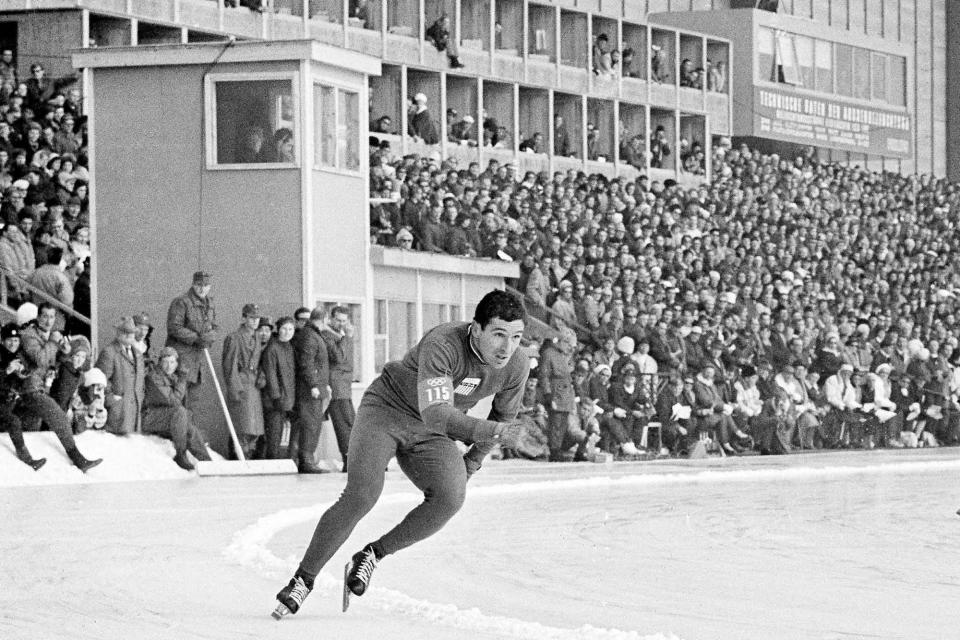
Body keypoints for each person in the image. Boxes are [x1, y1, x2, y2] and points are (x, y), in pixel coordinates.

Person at [273, 289, 531, 618]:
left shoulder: (516, 365)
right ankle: (303, 580)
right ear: (476, 329)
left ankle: (371, 555)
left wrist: (472, 462)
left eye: (516, 337)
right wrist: (491, 432)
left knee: (452, 497)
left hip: (431, 431)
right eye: (498, 335)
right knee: (363, 494)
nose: (506, 348)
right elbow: (439, 412)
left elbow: (503, 417)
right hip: (388, 410)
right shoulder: (445, 343)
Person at [16, 302, 102, 471]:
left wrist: (63, 352)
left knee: (34, 428)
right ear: (38, 317)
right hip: (29, 389)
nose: (49, 321)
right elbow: (40, 359)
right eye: (45, 316)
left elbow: (53, 364)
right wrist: (54, 343)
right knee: (57, 414)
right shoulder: (28, 336)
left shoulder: (49, 336)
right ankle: (77, 457)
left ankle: (30, 469)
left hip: (42, 388)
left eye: (52, 317)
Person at [142, 347, 212, 471]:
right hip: (149, 417)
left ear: (177, 364)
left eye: (172, 362)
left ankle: (207, 461)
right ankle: (180, 454)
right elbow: (173, 401)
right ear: (160, 362)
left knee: (189, 427)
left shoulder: (173, 377)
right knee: (180, 412)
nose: (169, 366)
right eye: (165, 362)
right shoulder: (154, 377)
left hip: (165, 417)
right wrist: (182, 380)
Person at [165, 271, 218, 412]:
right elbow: (174, 327)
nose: (202, 289)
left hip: (198, 362)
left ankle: (188, 432)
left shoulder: (210, 303)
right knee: (179, 404)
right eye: (199, 285)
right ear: (193, 284)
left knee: (192, 406)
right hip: (182, 361)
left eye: (206, 285)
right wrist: (197, 339)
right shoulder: (181, 302)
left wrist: (211, 336)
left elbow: (214, 326)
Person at [290, 306, 331, 473]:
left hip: (316, 388)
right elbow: (307, 363)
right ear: (323, 320)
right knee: (310, 425)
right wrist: (313, 384)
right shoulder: (310, 336)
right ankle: (306, 461)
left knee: (313, 424)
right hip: (310, 391)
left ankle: (308, 459)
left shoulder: (312, 334)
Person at [221, 303, 265, 458]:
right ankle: (240, 455)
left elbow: (259, 362)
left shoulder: (257, 337)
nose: (254, 321)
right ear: (244, 318)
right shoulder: (234, 338)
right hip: (241, 384)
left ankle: (249, 454)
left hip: (254, 385)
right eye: (251, 317)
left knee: (255, 427)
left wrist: (261, 375)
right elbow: (229, 366)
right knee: (242, 425)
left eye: (257, 318)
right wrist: (234, 389)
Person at [96, 316, 146, 435]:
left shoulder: (138, 354)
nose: (129, 335)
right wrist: (112, 402)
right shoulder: (109, 352)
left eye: (131, 332)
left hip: (135, 417)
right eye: (125, 332)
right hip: (118, 417)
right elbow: (100, 381)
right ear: (118, 333)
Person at [321, 305, 356, 472]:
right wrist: (347, 338)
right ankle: (349, 460)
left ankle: (355, 458)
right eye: (338, 320)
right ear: (331, 318)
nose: (341, 324)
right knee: (343, 425)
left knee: (351, 424)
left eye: (344, 321)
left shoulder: (340, 335)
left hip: (344, 386)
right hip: (336, 386)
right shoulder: (328, 335)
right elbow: (339, 357)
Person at [260, 316, 297, 459]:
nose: (287, 332)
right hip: (275, 401)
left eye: (290, 329)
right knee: (273, 435)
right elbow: (271, 375)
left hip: (286, 399)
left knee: (280, 433)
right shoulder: (272, 348)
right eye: (284, 329)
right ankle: (271, 462)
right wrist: (276, 397)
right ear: (279, 330)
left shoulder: (289, 347)